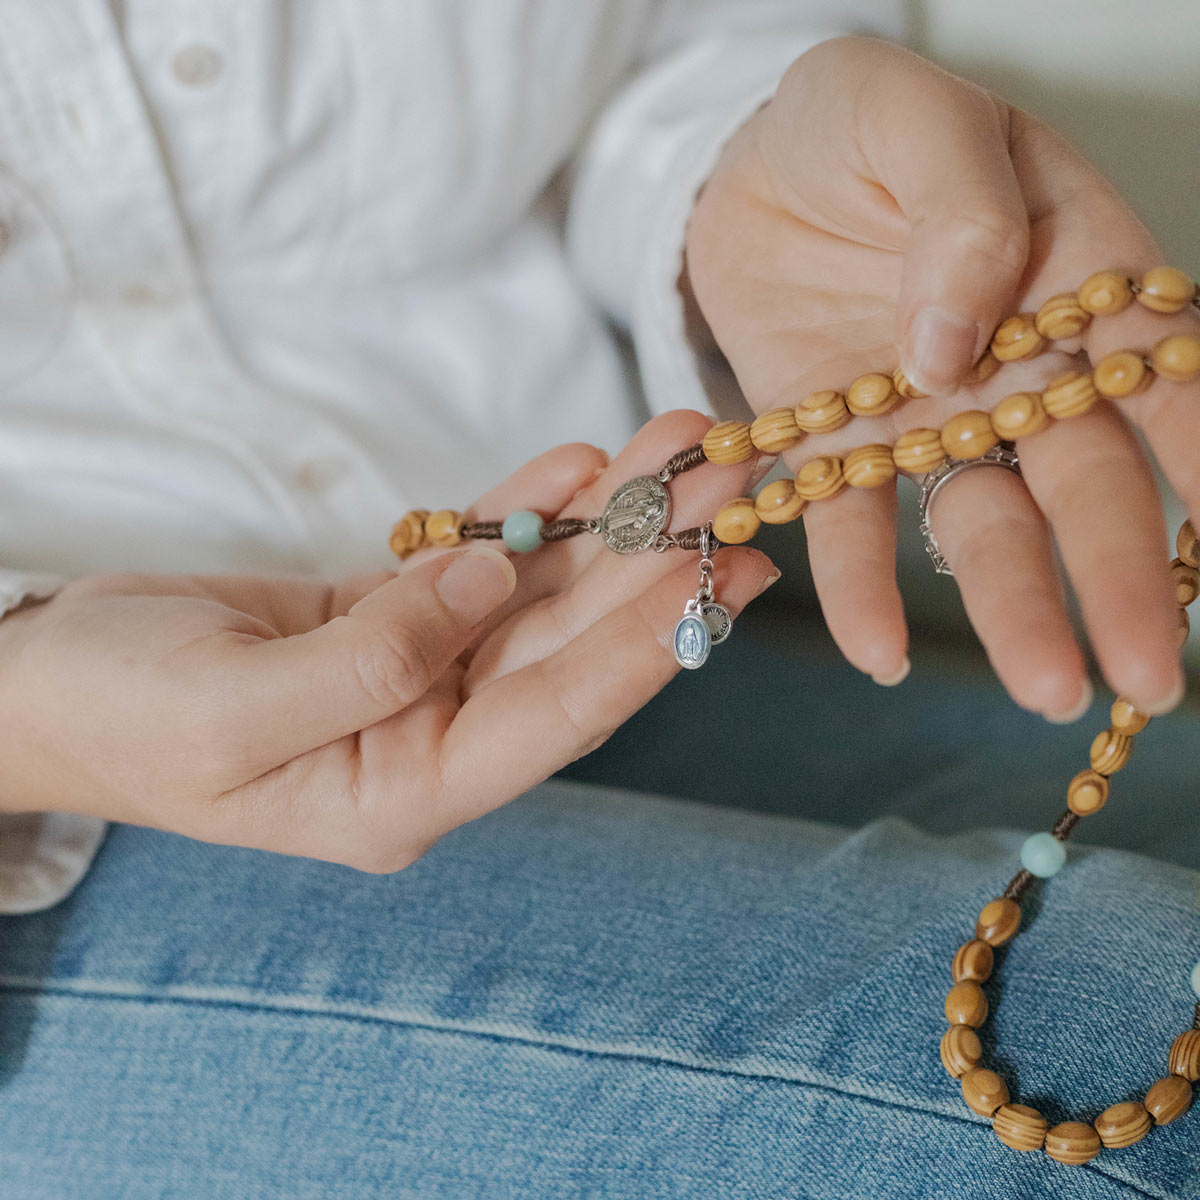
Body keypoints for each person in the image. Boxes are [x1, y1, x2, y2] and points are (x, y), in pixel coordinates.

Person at [0, 4, 1196, 1196]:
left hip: (608, 610)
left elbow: (624, 71)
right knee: (1114, 1022)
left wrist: (727, 169)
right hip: (59, 823)